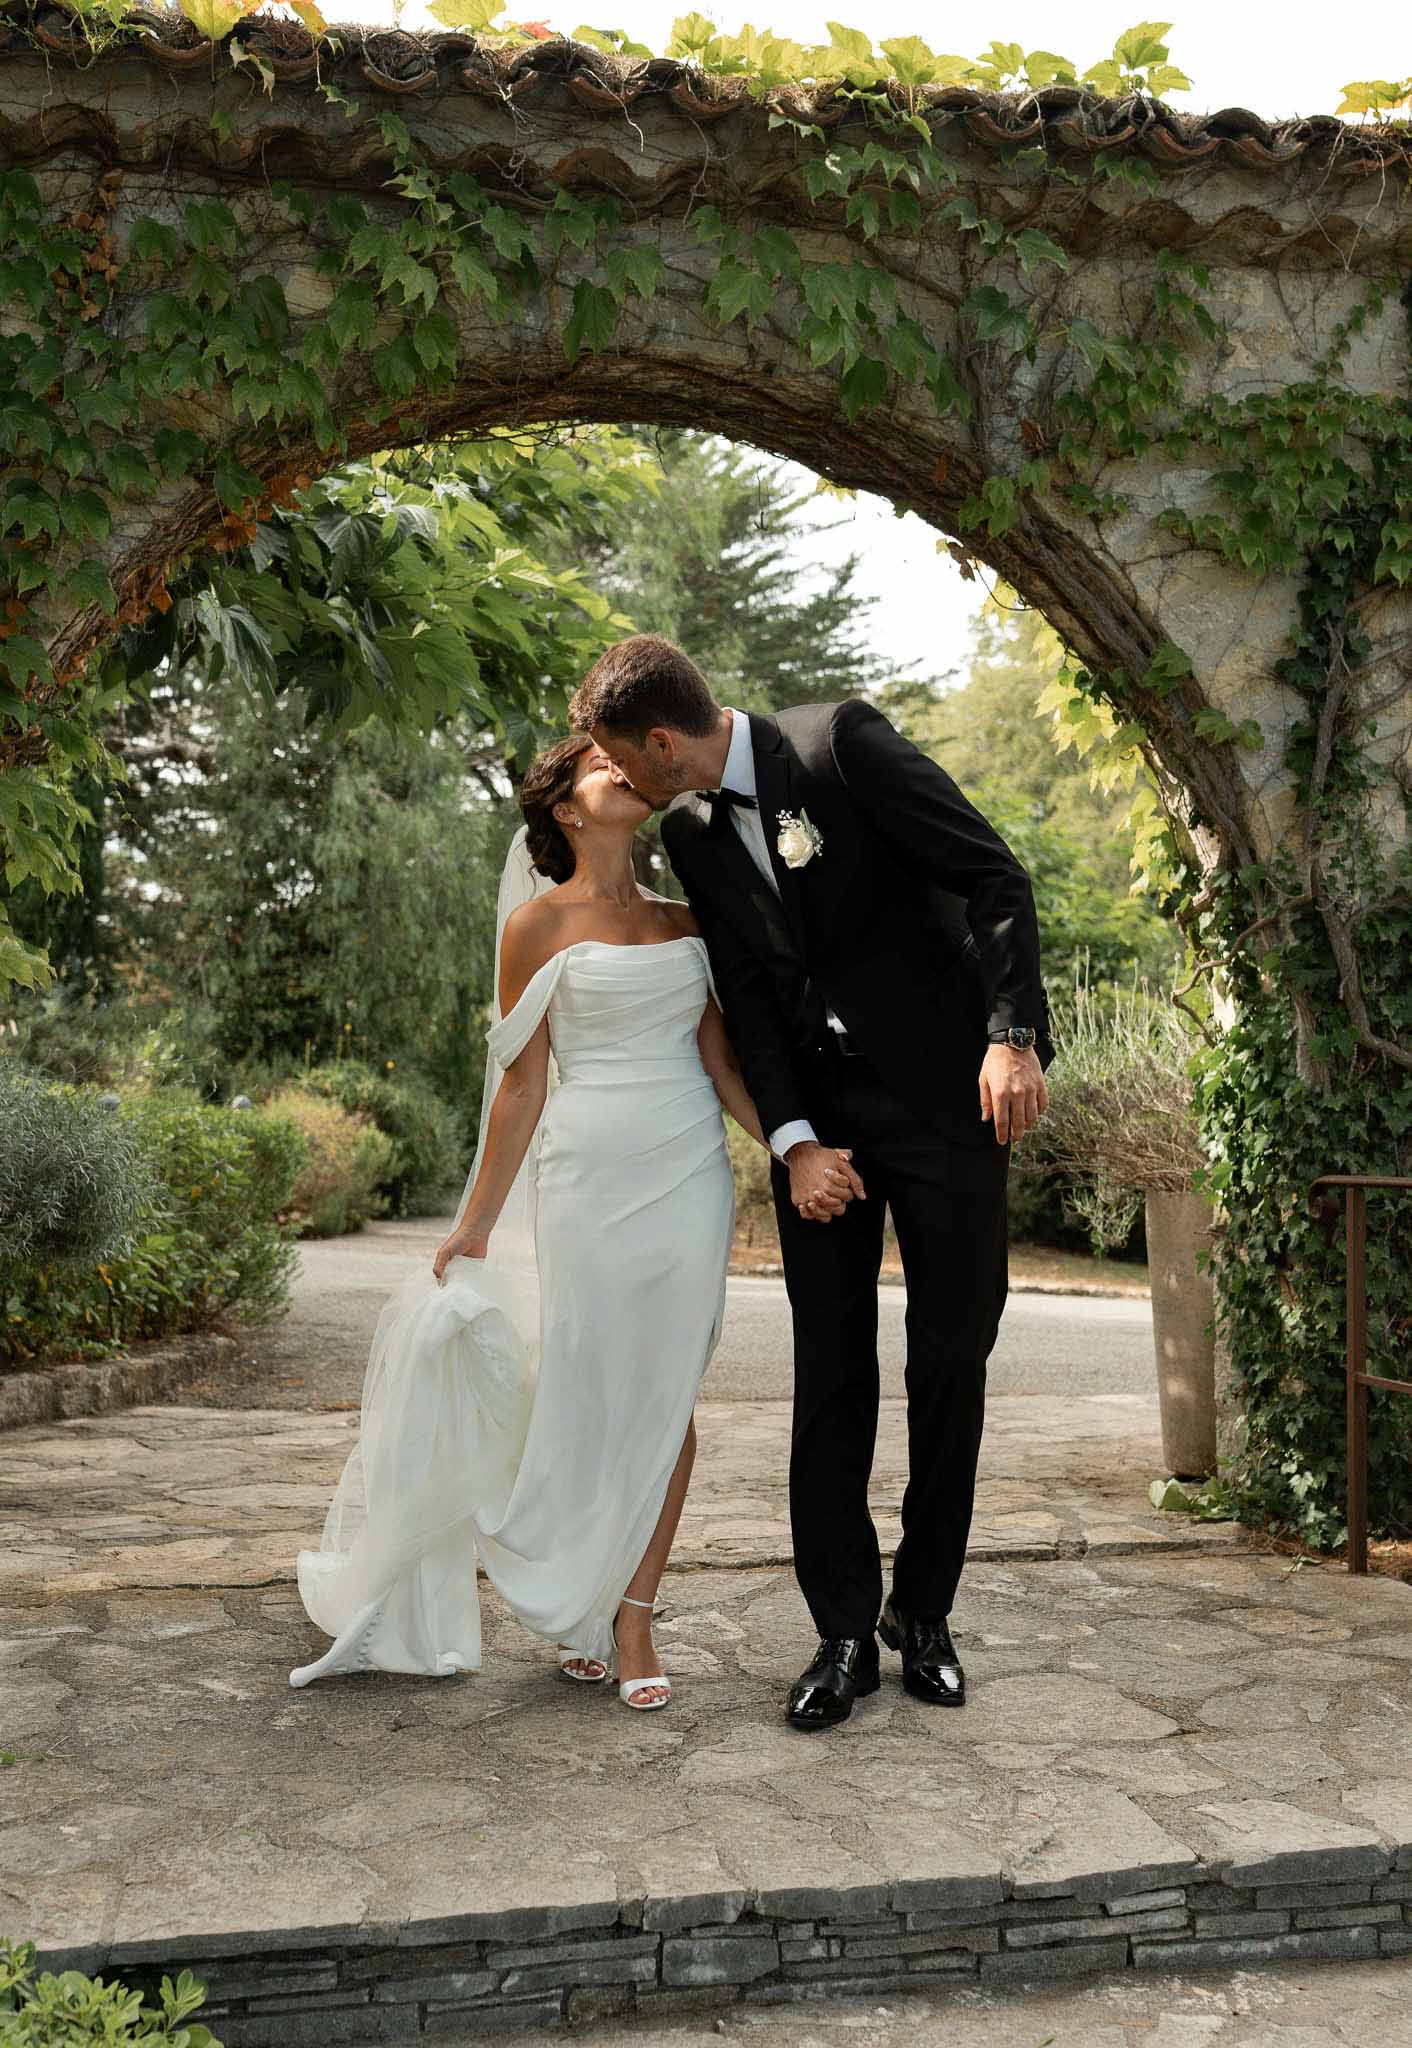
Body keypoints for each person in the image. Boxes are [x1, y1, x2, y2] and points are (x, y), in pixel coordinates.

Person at [288, 735, 854, 1710]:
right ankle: (581, 1595)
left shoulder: (688, 918)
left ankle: (631, 1612)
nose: (626, 769)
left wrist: (795, 1148)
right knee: (591, 1390)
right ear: (567, 809)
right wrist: (472, 1225)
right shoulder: (534, 928)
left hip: (685, 1174)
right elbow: (520, 1087)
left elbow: (723, 1067)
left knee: (667, 1393)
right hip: (587, 1176)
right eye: (602, 765)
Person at [570, 635, 1053, 1732]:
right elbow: (743, 993)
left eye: (618, 761)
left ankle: (921, 1615)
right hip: (823, 1132)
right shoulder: (691, 833)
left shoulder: (838, 746)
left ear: (659, 741)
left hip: (948, 1103)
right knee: (828, 1371)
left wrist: (1009, 1036)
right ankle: (840, 1629)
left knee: (947, 1359)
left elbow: (992, 874)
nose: (622, 786)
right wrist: (789, 1141)